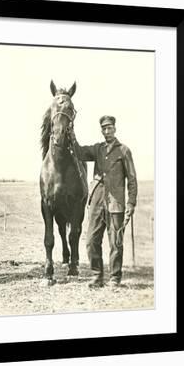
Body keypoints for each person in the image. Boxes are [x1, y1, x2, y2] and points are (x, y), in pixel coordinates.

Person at [71, 115, 138, 288]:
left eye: (110, 128)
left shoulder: (124, 151)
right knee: (91, 240)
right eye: (104, 128)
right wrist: (71, 132)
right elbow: (78, 152)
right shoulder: (97, 149)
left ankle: (114, 278)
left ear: (114, 129)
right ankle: (96, 276)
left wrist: (131, 203)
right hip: (96, 201)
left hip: (116, 204)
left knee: (116, 242)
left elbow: (131, 180)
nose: (107, 131)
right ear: (101, 130)